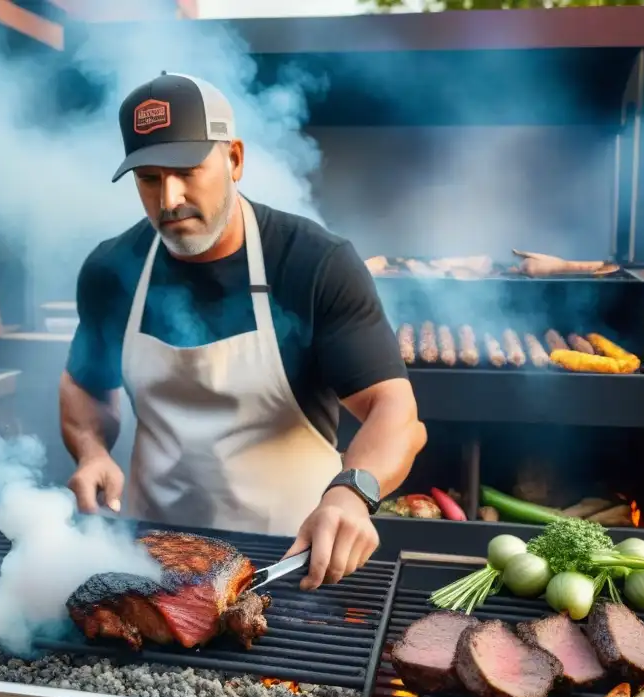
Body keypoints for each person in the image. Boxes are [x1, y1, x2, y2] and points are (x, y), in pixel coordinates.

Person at [60, 72, 426, 589]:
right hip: (151, 561)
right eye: (149, 178)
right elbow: (84, 386)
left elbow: (396, 413)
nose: (169, 199)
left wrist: (352, 493)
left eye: (188, 169)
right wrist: (92, 452)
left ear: (233, 158)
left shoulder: (314, 263)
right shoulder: (112, 269)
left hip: (292, 562)